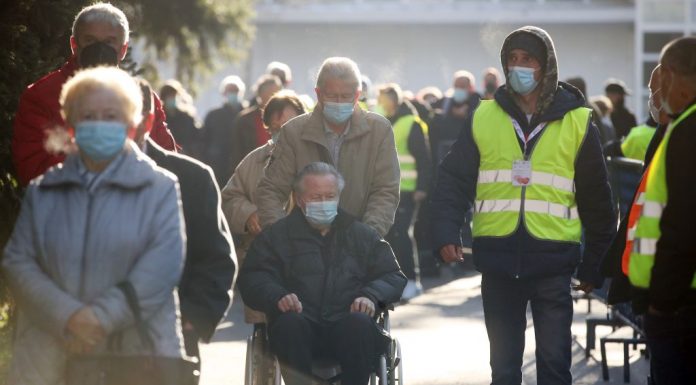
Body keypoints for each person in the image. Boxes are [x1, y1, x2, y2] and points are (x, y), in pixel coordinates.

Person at [430, 26, 616, 385]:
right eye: (511, 60)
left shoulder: (577, 121)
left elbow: (598, 199)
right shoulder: (484, 116)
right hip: (498, 261)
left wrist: (595, 264)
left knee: (554, 368)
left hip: (553, 262)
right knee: (503, 372)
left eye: (527, 60)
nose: (518, 67)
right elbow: (453, 179)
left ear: (546, 66)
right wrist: (444, 231)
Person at [2, 67, 187, 384]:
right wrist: (69, 316)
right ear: (71, 126)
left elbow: (162, 264)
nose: (99, 123)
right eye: (88, 115)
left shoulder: (159, 187)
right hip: (47, 362)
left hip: (136, 360)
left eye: (111, 115)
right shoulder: (44, 190)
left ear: (131, 125)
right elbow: (19, 263)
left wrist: (101, 318)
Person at [238, 162, 406, 385]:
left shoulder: (361, 235)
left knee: (360, 324)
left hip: (346, 323)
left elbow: (392, 275)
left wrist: (371, 296)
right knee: (288, 325)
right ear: (299, 200)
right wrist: (277, 295)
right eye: (316, 197)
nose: (324, 203)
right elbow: (253, 277)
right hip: (300, 327)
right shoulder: (276, 237)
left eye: (330, 196)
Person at [11, 2, 176, 186]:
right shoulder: (41, 96)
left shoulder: (142, 98)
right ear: (74, 44)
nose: (99, 49)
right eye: (90, 40)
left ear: (122, 49)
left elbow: (167, 159)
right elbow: (32, 169)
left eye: (109, 42)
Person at [137, 80, 237, 372]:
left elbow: (216, 257)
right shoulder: (70, 180)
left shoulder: (190, 177)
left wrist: (193, 317)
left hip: (172, 334)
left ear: (145, 118)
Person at [621, 37, 696, 385]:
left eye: (661, 79)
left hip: (679, 304)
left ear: (671, 76)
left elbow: (680, 227)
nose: (657, 91)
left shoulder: (686, 133)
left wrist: (661, 304)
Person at [256, 57, 400, 237]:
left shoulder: (379, 131)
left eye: (346, 96)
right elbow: (271, 190)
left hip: (359, 242)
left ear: (357, 95)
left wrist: (368, 236)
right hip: (302, 244)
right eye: (332, 96)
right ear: (318, 93)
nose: (339, 102)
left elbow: (385, 191)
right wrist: (281, 239)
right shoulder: (294, 132)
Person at [221, 90, 306, 323]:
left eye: (289, 124)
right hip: (264, 259)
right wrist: (248, 216)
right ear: (268, 128)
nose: (283, 131)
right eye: (276, 127)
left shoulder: (321, 158)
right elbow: (228, 198)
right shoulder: (254, 161)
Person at [376, 83, 431, 299]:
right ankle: (396, 279)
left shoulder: (411, 123)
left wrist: (422, 187)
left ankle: (412, 279)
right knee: (390, 234)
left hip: (408, 190)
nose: (380, 102)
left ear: (393, 100)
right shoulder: (383, 121)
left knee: (402, 233)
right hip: (387, 188)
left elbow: (424, 159)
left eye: (383, 98)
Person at [228, 74, 282, 173]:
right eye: (271, 93)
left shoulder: (285, 119)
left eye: (277, 93)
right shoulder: (244, 120)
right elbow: (237, 153)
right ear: (260, 94)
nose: (275, 97)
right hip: (251, 172)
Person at [201, 75, 247, 187]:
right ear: (224, 93)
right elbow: (203, 141)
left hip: (243, 166)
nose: (233, 93)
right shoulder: (213, 115)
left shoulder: (247, 115)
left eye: (235, 90)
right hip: (218, 167)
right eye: (230, 91)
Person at [160, 80, 201, 158]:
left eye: (174, 95)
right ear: (163, 98)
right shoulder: (159, 117)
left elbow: (196, 138)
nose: (172, 98)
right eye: (169, 96)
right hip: (164, 158)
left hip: (186, 157)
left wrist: (187, 150)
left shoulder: (187, 117)